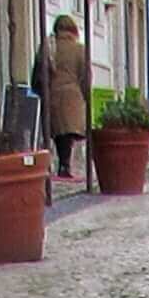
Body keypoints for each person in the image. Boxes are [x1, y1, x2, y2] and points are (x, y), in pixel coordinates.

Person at [41, 17, 91, 181]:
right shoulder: (79, 49)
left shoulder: (48, 48)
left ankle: (60, 164)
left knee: (57, 132)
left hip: (52, 94)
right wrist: (85, 95)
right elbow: (85, 75)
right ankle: (65, 165)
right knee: (68, 133)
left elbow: (38, 73)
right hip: (72, 95)